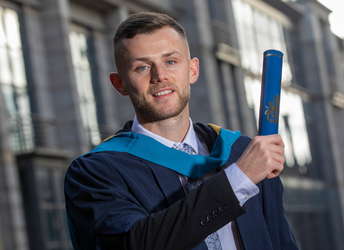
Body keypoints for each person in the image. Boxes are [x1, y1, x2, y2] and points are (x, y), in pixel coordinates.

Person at [65, 12, 298, 250]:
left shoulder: (242, 151)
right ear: (120, 84)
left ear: (193, 70)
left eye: (170, 61)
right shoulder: (94, 173)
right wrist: (239, 178)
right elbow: (135, 244)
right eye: (142, 67)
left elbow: (281, 242)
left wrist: (244, 170)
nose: (160, 76)